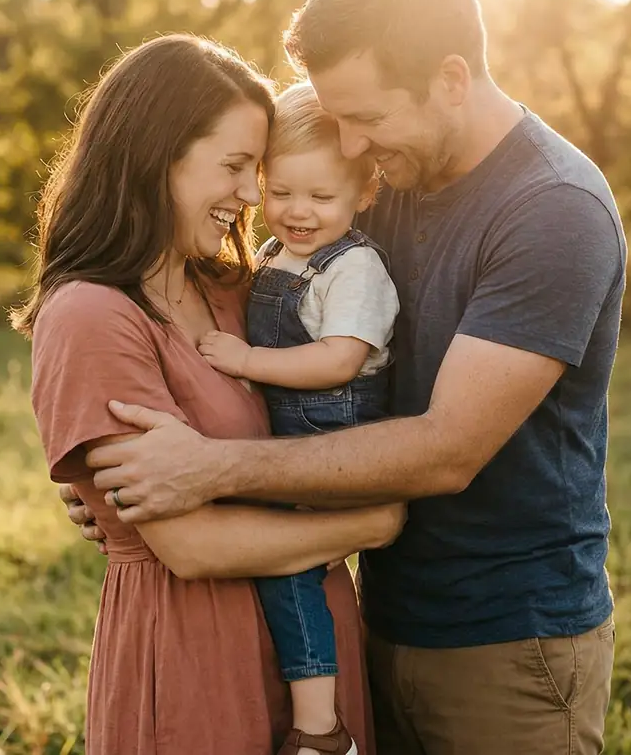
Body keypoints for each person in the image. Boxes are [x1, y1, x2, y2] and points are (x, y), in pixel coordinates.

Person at [63, 0, 628, 754]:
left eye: (366, 118)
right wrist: (114, 480)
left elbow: (446, 451)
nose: (352, 146)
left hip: (510, 638)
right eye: (338, 121)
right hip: (373, 608)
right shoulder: (381, 180)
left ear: (451, 80)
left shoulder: (552, 211)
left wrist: (206, 470)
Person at [12, 32, 403, 755]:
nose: (252, 194)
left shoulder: (237, 291)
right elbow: (187, 545)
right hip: (194, 653)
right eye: (233, 167)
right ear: (155, 154)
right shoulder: (91, 313)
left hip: (313, 650)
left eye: (256, 169)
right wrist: (370, 525)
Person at [195, 80, 400, 754]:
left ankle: (320, 729)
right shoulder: (278, 257)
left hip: (333, 434)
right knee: (273, 553)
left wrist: (248, 360)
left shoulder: (356, 267)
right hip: (292, 433)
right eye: (281, 192)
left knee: (286, 563)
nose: (298, 212)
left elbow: (340, 360)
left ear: (363, 195)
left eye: (321, 197)